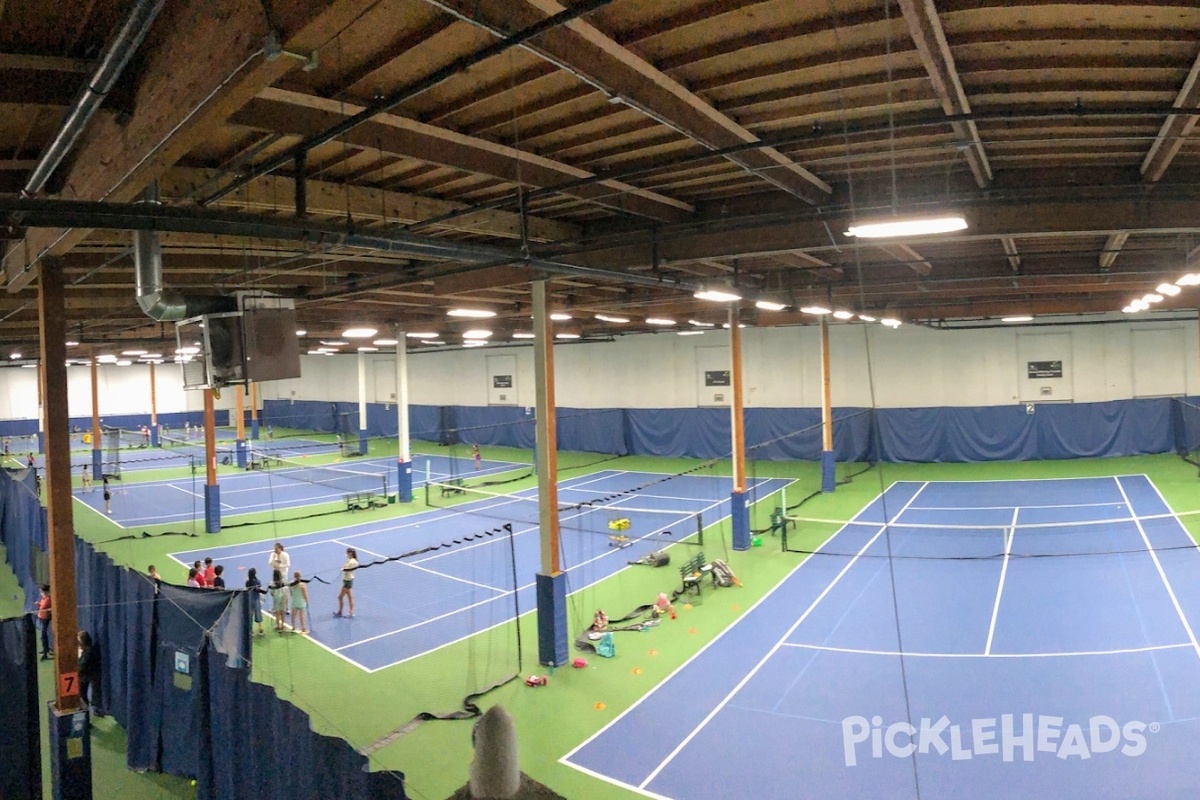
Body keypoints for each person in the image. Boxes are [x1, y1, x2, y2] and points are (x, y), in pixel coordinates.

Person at [77, 631, 105, 717]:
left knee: (83, 697)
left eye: (79, 640)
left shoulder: (88, 651)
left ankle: (86, 716)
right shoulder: (84, 649)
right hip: (85, 676)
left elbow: (83, 665)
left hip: (85, 677)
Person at [335, 547, 357, 618]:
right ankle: (348, 612)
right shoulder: (352, 561)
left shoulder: (352, 562)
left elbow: (344, 568)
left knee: (341, 597)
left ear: (350, 553)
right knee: (349, 597)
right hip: (347, 580)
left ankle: (343, 612)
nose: (346, 554)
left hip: (348, 581)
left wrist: (344, 568)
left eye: (347, 553)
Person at [245, 567, 265, 636]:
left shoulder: (247, 582)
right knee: (258, 614)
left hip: (250, 599)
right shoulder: (257, 581)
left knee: (250, 615)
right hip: (256, 599)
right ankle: (260, 629)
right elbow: (260, 589)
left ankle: (251, 631)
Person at [36, 584, 52, 659]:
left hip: (45, 619)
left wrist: (40, 606)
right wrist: (38, 604)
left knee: (43, 635)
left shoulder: (48, 599)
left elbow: (43, 608)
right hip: (41, 618)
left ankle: (45, 653)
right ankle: (46, 649)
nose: (40, 593)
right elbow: (41, 607)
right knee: (43, 635)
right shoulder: (44, 598)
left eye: (41, 591)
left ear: (45, 591)